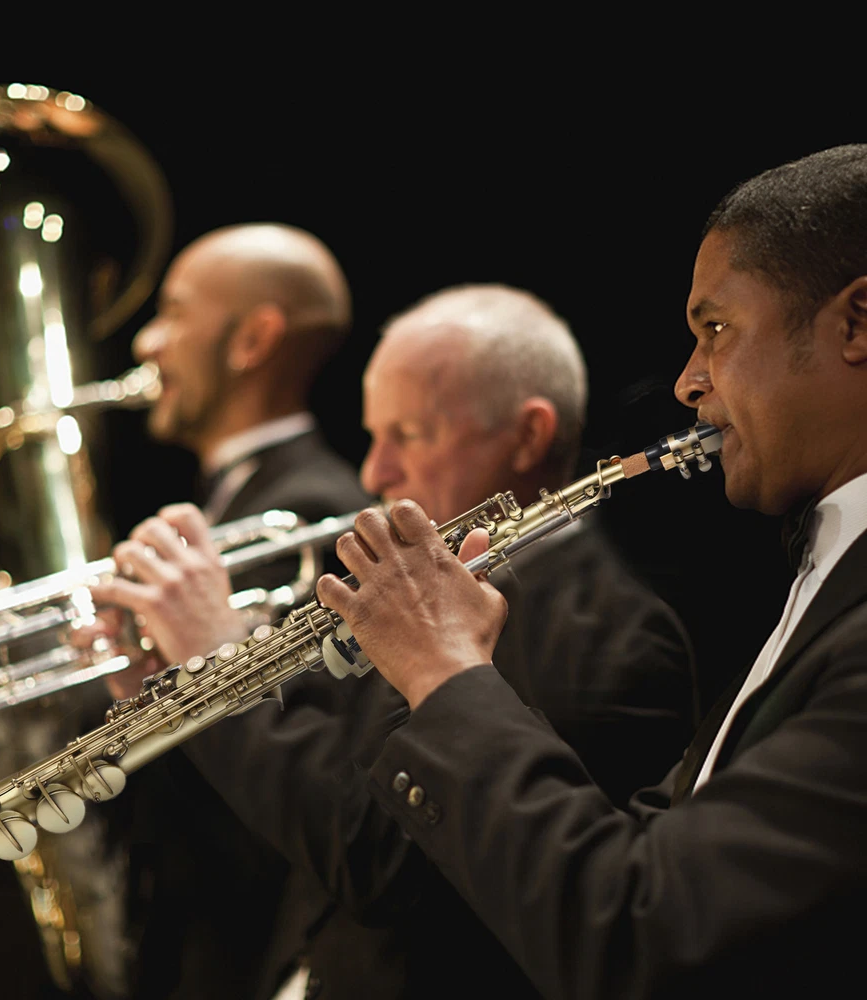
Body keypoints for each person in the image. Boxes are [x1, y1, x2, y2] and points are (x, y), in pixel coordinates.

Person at [316, 145, 867, 998]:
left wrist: (446, 674)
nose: (687, 383)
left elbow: (645, 937)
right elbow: (650, 852)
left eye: (716, 330)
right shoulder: (824, 570)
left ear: (857, 324)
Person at [115, 284, 698, 998]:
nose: (373, 474)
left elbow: (379, 863)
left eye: (410, 434)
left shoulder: (614, 643)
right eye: (372, 435)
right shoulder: (415, 584)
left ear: (528, 436)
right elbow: (301, 802)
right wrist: (168, 687)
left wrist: (212, 662)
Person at [91, 222, 370, 1000]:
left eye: (173, 313)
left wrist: (200, 666)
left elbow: (275, 797)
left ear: (252, 340)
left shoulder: (312, 510)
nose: (146, 341)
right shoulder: (232, 497)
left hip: (240, 948)